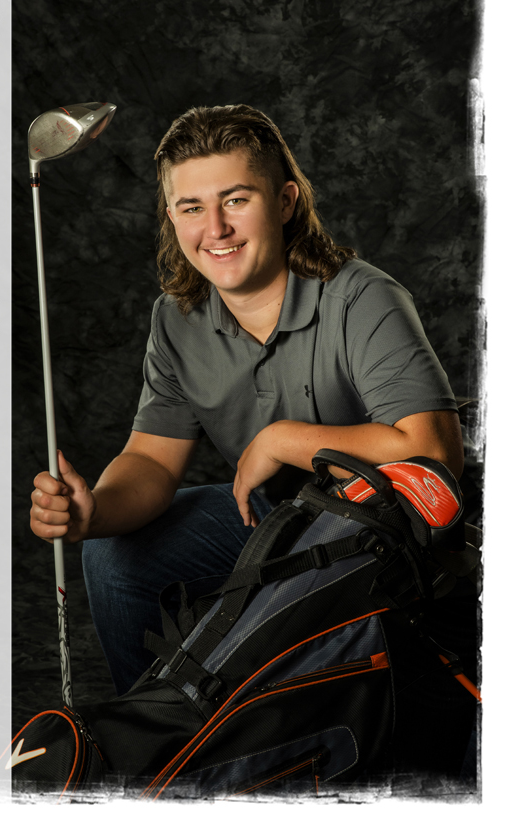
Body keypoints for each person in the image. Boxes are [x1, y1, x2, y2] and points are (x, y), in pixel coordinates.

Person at [30, 104, 463, 699]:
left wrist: (284, 439)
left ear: (284, 203)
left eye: (236, 200)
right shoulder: (176, 319)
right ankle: (163, 749)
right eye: (191, 208)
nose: (215, 229)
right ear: (172, 218)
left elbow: (435, 454)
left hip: (380, 540)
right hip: (271, 523)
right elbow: (153, 462)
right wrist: (94, 512)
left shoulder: (363, 297)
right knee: (113, 556)